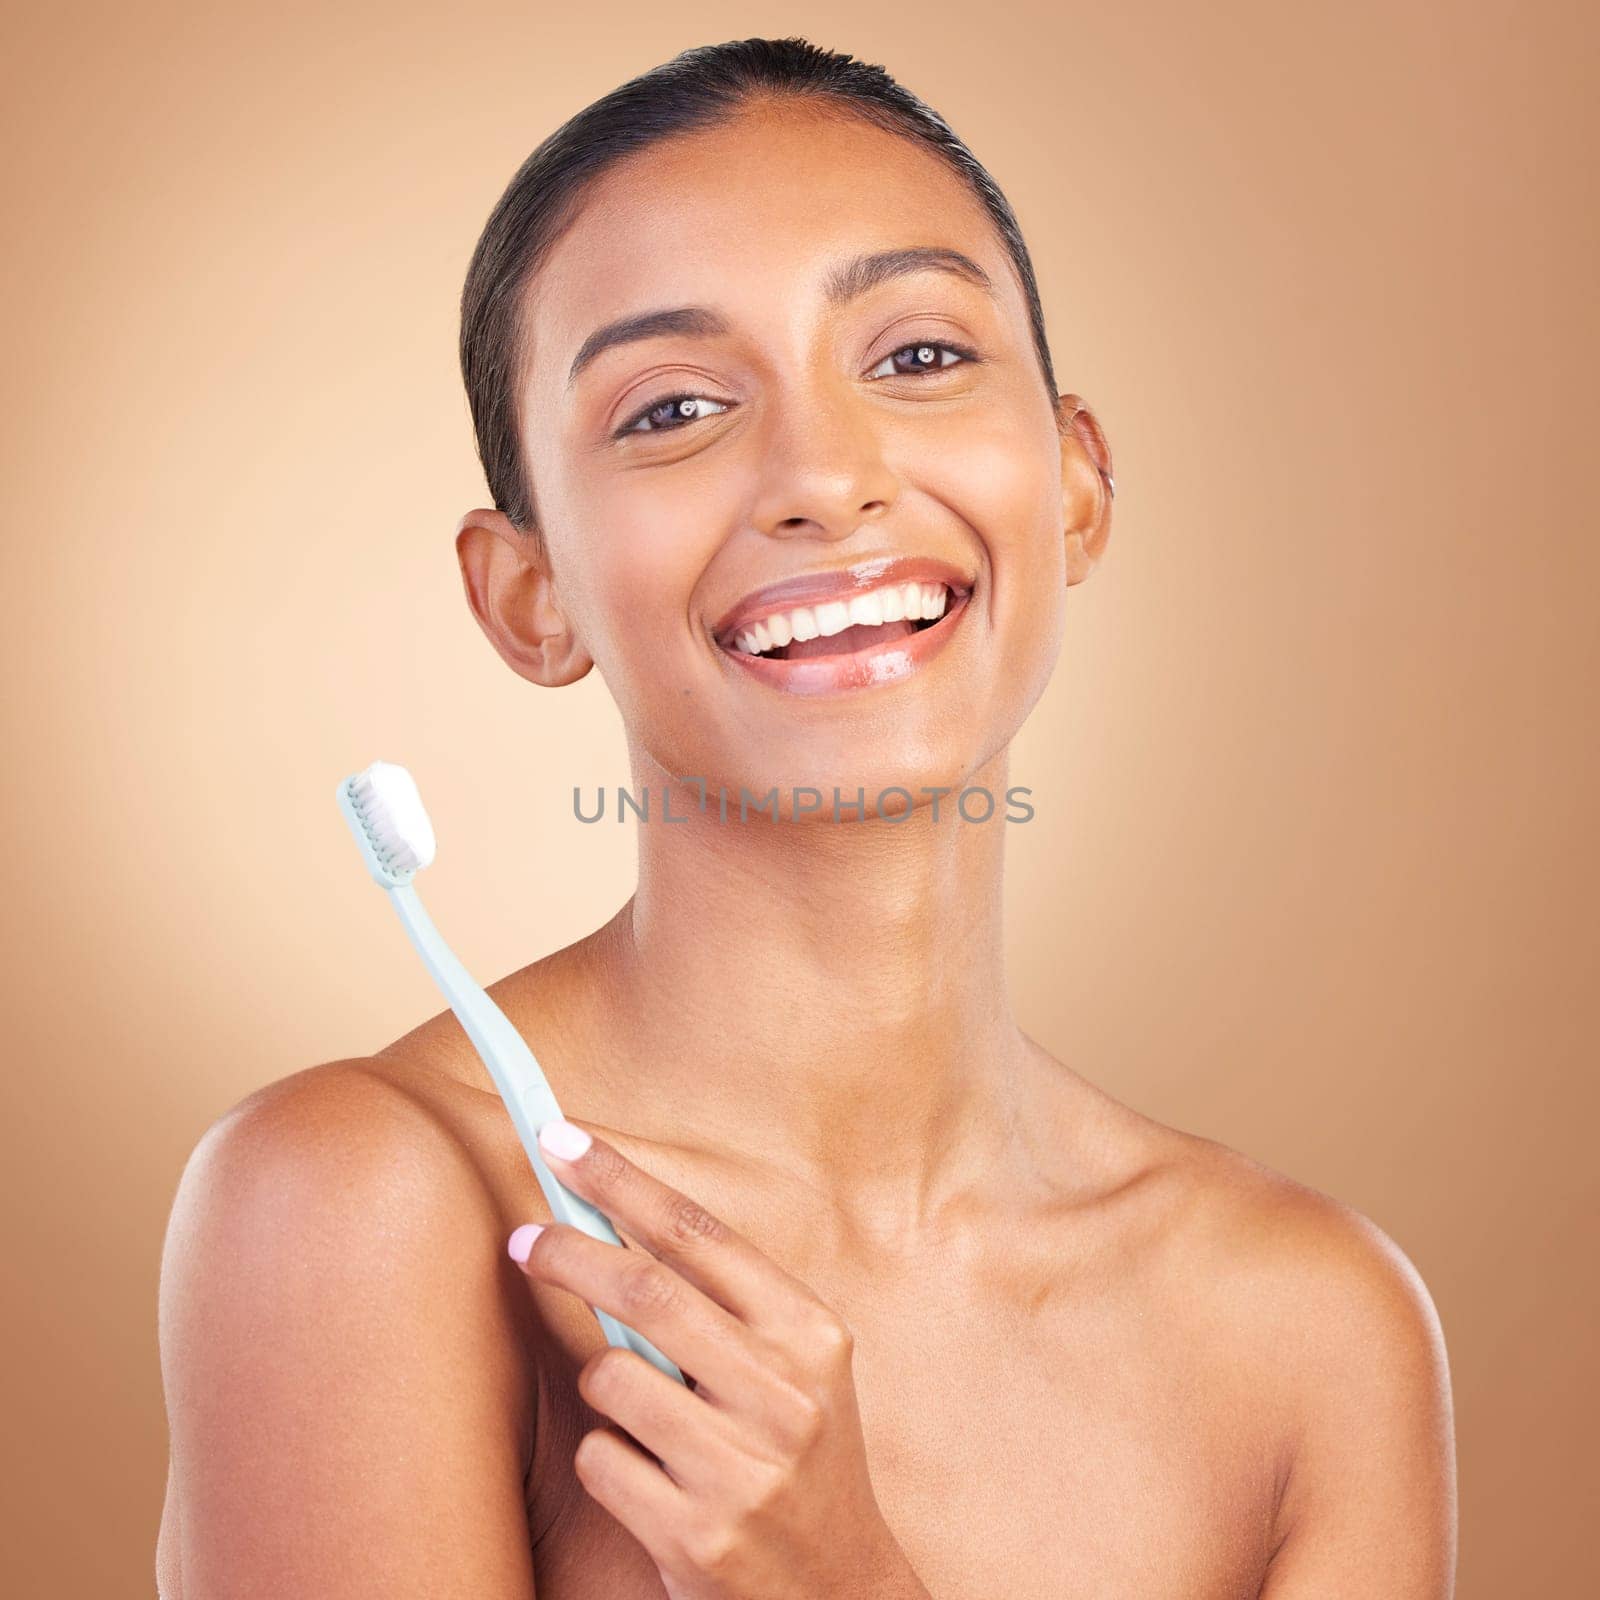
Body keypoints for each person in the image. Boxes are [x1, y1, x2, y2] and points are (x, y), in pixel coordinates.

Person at [156, 36, 1457, 1599]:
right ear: (531, 597)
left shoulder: (1315, 1329)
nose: (826, 478)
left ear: (1077, 486)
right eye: (675, 407)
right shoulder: (366, 1208)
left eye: (915, 358)